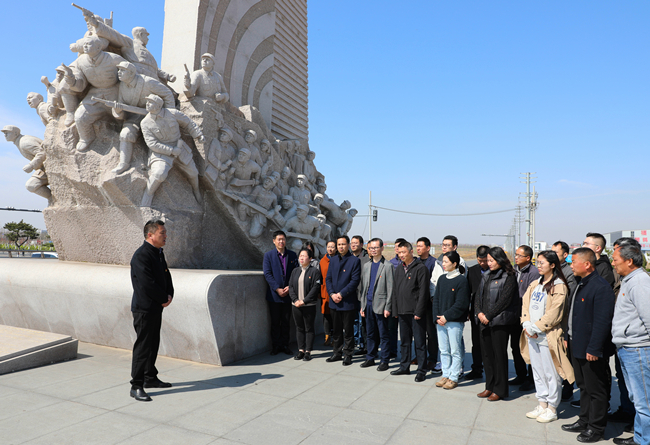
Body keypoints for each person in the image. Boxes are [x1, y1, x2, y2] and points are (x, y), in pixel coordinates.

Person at [561, 248, 615, 443]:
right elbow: (574, 313)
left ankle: (596, 428)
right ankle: (584, 420)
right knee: (583, 386)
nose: (571, 265)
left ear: (587, 264)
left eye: (574, 262)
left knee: (596, 389)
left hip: (590, 348)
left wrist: (594, 348)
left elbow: (602, 322)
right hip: (577, 343)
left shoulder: (600, 287)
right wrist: (567, 335)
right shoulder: (581, 282)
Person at [520, 250, 574, 424]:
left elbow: (554, 313)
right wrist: (526, 324)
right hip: (532, 335)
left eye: (542, 262)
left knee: (551, 373)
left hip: (547, 336)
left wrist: (536, 327)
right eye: (538, 262)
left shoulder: (559, 286)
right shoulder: (535, 284)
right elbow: (525, 305)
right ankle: (542, 403)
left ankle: (552, 408)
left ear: (552, 265)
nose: (539, 265)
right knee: (538, 371)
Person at [129, 220, 174, 402]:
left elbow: (166, 275)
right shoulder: (141, 255)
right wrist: (163, 298)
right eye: (162, 233)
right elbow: (147, 284)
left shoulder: (158, 253)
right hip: (144, 309)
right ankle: (136, 385)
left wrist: (169, 294)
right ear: (150, 235)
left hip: (156, 307)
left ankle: (150, 378)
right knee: (143, 347)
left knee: (153, 343)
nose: (165, 236)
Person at [611, 239, 649, 445]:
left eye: (615, 260)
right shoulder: (629, 280)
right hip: (628, 347)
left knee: (644, 401)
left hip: (638, 349)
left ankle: (644, 440)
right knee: (637, 398)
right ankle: (640, 437)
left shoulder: (640, 282)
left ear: (629, 261)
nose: (613, 263)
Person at [110, 61, 175, 174]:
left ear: (131, 73)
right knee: (125, 134)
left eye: (122, 70)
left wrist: (169, 116)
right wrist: (118, 110)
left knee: (158, 137)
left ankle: (156, 164)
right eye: (119, 70)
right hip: (135, 117)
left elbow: (168, 94)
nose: (119, 72)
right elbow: (123, 112)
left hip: (154, 116)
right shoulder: (122, 86)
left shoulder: (148, 82)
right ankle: (124, 164)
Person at [140, 94, 204, 207]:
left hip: (180, 148)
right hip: (161, 152)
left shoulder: (172, 113)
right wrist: (171, 151)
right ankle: (148, 196)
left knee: (193, 173)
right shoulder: (145, 123)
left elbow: (188, 123)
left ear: (158, 105)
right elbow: (152, 144)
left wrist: (198, 135)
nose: (147, 104)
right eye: (147, 102)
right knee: (159, 174)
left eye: (150, 102)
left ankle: (196, 190)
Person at [475, 246, 519, 402]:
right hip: (484, 321)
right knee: (487, 355)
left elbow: (504, 300)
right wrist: (479, 312)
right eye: (488, 260)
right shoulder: (486, 275)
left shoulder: (509, 276)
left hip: (499, 322)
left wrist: (488, 315)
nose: (489, 263)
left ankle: (500, 390)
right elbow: (478, 296)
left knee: (499, 356)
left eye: (492, 260)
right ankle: (490, 386)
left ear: (500, 260)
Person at [391, 241, 430, 382]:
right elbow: (395, 291)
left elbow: (424, 292)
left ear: (411, 252)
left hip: (416, 313)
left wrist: (419, 312)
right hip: (402, 311)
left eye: (404, 252)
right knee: (404, 342)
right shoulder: (399, 269)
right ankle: (404, 367)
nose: (401, 255)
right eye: (399, 252)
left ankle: (421, 370)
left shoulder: (420, 268)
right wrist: (395, 310)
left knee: (419, 343)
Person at [432, 251, 469, 390]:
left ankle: (454, 377)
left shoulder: (461, 280)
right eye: (443, 261)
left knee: (455, 350)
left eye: (446, 261)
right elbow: (436, 299)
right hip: (440, 321)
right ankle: (445, 374)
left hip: (454, 322)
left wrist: (446, 316)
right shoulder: (442, 279)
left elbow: (461, 304)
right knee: (443, 350)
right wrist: (437, 317)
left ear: (454, 264)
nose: (443, 264)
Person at [358, 238, 394, 372]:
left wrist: (388, 307)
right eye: (371, 248)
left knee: (383, 334)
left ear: (382, 248)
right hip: (368, 305)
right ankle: (370, 357)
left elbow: (391, 289)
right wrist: (362, 305)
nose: (373, 250)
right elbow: (363, 288)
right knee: (370, 333)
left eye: (376, 247)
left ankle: (384, 360)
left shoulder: (388, 266)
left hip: (381, 306)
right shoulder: (367, 265)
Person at [325, 235, 361, 365]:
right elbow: (328, 278)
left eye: (343, 244)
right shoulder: (333, 260)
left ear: (348, 245)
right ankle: (337, 353)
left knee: (348, 330)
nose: (341, 247)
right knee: (336, 330)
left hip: (347, 301)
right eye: (339, 244)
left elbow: (354, 281)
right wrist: (331, 293)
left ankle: (348, 354)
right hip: (334, 301)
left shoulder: (354, 261)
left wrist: (341, 294)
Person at [262, 230, 298, 356]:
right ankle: (276, 346)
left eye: (283, 239)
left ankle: (285, 345)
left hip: (288, 294)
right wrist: (277, 288)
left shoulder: (292, 255)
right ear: (274, 241)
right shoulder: (268, 256)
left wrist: (290, 286)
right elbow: (267, 274)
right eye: (279, 239)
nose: (281, 241)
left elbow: (296, 273)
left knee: (286, 322)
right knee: (275, 322)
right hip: (274, 295)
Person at [510, 245, 541, 391]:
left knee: (529, 348)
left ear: (528, 258)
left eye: (519, 255)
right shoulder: (514, 270)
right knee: (516, 347)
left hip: (526, 316)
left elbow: (530, 296)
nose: (516, 257)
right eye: (515, 255)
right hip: (514, 315)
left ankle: (531, 379)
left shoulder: (533, 273)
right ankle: (520, 375)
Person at [289, 248, 322, 361]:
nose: (301, 258)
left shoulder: (315, 272)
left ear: (310, 258)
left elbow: (315, 288)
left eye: (304, 256)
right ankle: (301, 350)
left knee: (309, 328)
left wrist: (304, 301)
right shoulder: (295, 271)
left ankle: (308, 351)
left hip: (309, 305)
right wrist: (295, 300)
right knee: (299, 328)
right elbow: (291, 287)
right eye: (300, 256)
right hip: (296, 305)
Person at [1, 125, 51, 200]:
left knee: (31, 185)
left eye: (7, 132)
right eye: (4, 133)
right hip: (44, 167)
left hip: (48, 167)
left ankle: (54, 200)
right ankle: (54, 200)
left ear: (15, 133)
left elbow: (42, 153)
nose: (5, 135)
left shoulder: (24, 143)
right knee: (31, 185)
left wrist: (31, 165)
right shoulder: (21, 141)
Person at [464, 245, 490, 380]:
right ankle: (477, 369)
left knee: (489, 344)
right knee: (476, 343)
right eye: (480, 260)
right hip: (475, 312)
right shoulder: (472, 271)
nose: (483, 263)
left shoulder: (496, 270)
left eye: (485, 260)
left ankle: (491, 371)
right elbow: (468, 292)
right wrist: (468, 310)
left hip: (491, 314)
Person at [417, 237, 441, 373]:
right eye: (417, 246)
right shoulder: (415, 262)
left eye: (421, 246)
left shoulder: (434, 263)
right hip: (417, 304)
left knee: (431, 334)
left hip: (429, 304)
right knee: (418, 333)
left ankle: (432, 359)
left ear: (428, 248)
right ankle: (420, 357)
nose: (418, 248)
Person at [351, 235, 370, 356]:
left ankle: (365, 346)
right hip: (350, 294)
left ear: (361, 245)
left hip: (362, 294)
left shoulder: (367, 258)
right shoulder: (348, 257)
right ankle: (354, 344)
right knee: (353, 321)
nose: (353, 245)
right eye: (352, 243)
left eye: (356, 243)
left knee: (363, 322)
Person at [319, 241, 336, 346]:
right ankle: (327, 336)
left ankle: (335, 337)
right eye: (329, 246)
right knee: (326, 315)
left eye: (332, 247)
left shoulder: (338, 259)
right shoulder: (322, 261)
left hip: (335, 291)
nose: (330, 249)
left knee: (335, 316)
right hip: (324, 291)